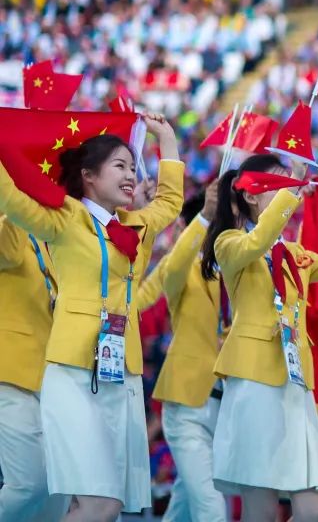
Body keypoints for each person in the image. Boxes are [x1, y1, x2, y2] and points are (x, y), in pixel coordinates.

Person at [0, 115, 182, 522]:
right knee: (101, 503)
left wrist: (167, 139)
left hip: (120, 373)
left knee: (108, 506)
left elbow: (170, 201)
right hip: (73, 372)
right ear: (88, 176)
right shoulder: (64, 218)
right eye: (120, 165)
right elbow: (11, 198)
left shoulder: (136, 225)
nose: (131, 175)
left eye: (132, 167)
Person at [202, 154, 318, 522]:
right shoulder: (229, 242)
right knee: (260, 509)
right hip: (254, 380)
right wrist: (293, 189)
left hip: (296, 382)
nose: (289, 190)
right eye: (279, 183)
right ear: (250, 195)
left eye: (290, 184)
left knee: (313, 510)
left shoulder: (292, 253)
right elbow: (257, 241)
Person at [146, 180, 227, 522]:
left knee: (185, 502)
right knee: (212, 507)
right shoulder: (180, 268)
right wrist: (204, 217)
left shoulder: (235, 270)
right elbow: (175, 263)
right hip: (187, 403)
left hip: (224, 403)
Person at [0, 215, 70, 522]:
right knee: (29, 484)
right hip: (10, 374)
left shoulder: (42, 237)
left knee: (59, 488)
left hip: (51, 378)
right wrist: (17, 200)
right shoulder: (11, 226)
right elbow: (8, 251)